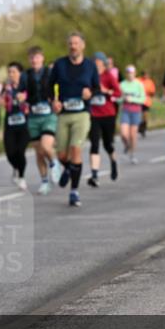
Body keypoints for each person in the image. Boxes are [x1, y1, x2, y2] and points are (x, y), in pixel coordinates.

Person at [50, 32, 99, 207]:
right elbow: (50, 86)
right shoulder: (60, 64)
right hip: (64, 113)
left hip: (82, 113)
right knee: (62, 154)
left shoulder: (90, 66)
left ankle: (74, 192)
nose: (73, 46)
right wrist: (54, 101)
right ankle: (70, 169)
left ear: (83, 46)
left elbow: (97, 88)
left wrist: (90, 93)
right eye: (71, 43)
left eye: (76, 43)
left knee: (75, 148)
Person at [23, 46, 61, 195]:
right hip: (33, 117)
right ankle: (44, 182)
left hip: (48, 115)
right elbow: (21, 91)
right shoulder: (25, 75)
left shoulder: (50, 73)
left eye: (37, 57)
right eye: (32, 57)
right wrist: (21, 97)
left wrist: (57, 100)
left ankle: (54, 163)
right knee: (39, 152)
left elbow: (58, 88)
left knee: (46, 146)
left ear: (42, 58)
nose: (34, 60)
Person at [88, 51, 120, 185]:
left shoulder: (108, 76)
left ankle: (113, 161)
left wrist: (106, 91)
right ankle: (94, 175)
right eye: (94, 61)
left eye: (98, 61)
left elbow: (118, 92)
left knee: (108, 144)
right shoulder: (89, 76)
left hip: (108, 114)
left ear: (103, 63)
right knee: (94, 143)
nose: (96, 63)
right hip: (93, 114)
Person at [3, 62, 30, 190]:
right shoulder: (6, 87)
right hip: (9, 122)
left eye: (14, 71)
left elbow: (33, 98)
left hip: (24, 123)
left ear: (20, 73)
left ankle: (22, 176)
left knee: (20, 151)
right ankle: (15, 167)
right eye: (9, 72)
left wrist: (24, 98)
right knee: (9, 152)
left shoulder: (27, 86)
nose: (11, 74)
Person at [118, 65, 146, 164]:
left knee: (133, 135)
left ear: (135, 73)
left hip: (135, 111)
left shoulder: (139, 84)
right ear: (126, 74)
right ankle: (127, 146)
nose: (130, 74)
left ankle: (132, 154)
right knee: (124, 134)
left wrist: (132, 99)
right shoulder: (122, 84)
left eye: (132, 72)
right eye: (128, 72)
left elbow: (143, 99)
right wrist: (122, 99)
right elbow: (118, 98)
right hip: (125, 111)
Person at [137, 69, 156, 137]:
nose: (146, 76)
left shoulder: (150, 82)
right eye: (145, 74)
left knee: (145, 116)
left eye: (147, 75)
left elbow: (153, 92)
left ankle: (143, 128)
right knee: (139, 115)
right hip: (138, 100)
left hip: (146, 101)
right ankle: (139, 127)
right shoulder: (138, 80)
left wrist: (151, 93)